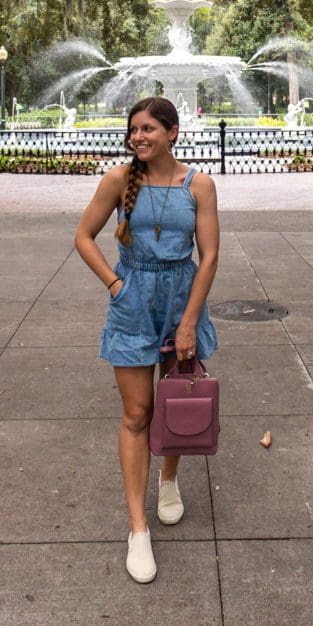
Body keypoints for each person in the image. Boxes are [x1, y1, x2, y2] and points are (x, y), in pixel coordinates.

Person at [74, 96, 219, 583]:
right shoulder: (118, 179)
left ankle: (170, 479)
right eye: (133, 129)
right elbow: (83, 237)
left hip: (182, 298)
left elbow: (211, 255)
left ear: (173, 132)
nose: (138, 136)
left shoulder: (199, 184)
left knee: (175, 401)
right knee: (138, 412)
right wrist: (116, 286)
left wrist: (188, 322)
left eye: (149, 129)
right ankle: (138, 529)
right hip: (134, 301)